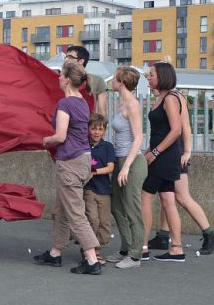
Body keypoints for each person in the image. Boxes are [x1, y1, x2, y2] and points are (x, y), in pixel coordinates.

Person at [35, 61, 102, 275]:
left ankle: (92, 260)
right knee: (61, 210)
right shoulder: (82, 102)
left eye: (60, 74)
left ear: (66, 79)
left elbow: (61, 136)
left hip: (70, 163)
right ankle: (55, 253)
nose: (57, 77)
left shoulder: (65, 104)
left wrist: (46, 140)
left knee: (75, 213)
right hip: (82, 160)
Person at [146, 87, 214, 255]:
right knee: (168, 195)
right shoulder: (166, 97)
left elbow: (185, 126)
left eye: (152, 76)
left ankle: (209, 234)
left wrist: (187, 151)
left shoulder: (175, 97)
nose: (149, 80)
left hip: (175, 154)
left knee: (181, 195)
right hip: (170, 153)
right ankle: (163, 235)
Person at [141, 62, 185, 262]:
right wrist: (149, 150)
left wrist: (155, 153)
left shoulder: (170, 99)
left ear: (162, 77)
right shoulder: (161, 98)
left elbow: (176, 130)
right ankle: (176, 248)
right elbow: (161, 132)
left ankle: (142, 246)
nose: (148, 78)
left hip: (164, 157)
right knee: (168, 200)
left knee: (144, 196)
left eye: (151, 75)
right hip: (161, 155)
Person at [106, 66, 148, 269]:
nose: (111, 82)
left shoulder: (132, 104)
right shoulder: (123, 103)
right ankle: (126, 248)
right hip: (120, 159)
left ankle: (135, 256)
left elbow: (139, 137)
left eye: (114, 79)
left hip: (132, 162)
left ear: (121, 82)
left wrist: (126, 167)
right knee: (117, 206)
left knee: (132, 209)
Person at [83, 113, 115, 265]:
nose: (97, 132)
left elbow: (110, 168)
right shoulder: (84, 146)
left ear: (104, 131)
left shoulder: (108, 147)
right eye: (93, 129)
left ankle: (98, 251)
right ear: (88, 129)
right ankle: (87, 250)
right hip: (89, 189)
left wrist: (94, 172)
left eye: (100, 129)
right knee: (92, 220)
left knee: (104, 223)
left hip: (105, 190)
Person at [65, 46, 107, 117]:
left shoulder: (97, 80)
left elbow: (102, 111)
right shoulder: (62, 80)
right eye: (66, 57)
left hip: (87, 124)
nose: (66, 60)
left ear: (81, 61)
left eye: (70, 57)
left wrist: (99, 127)